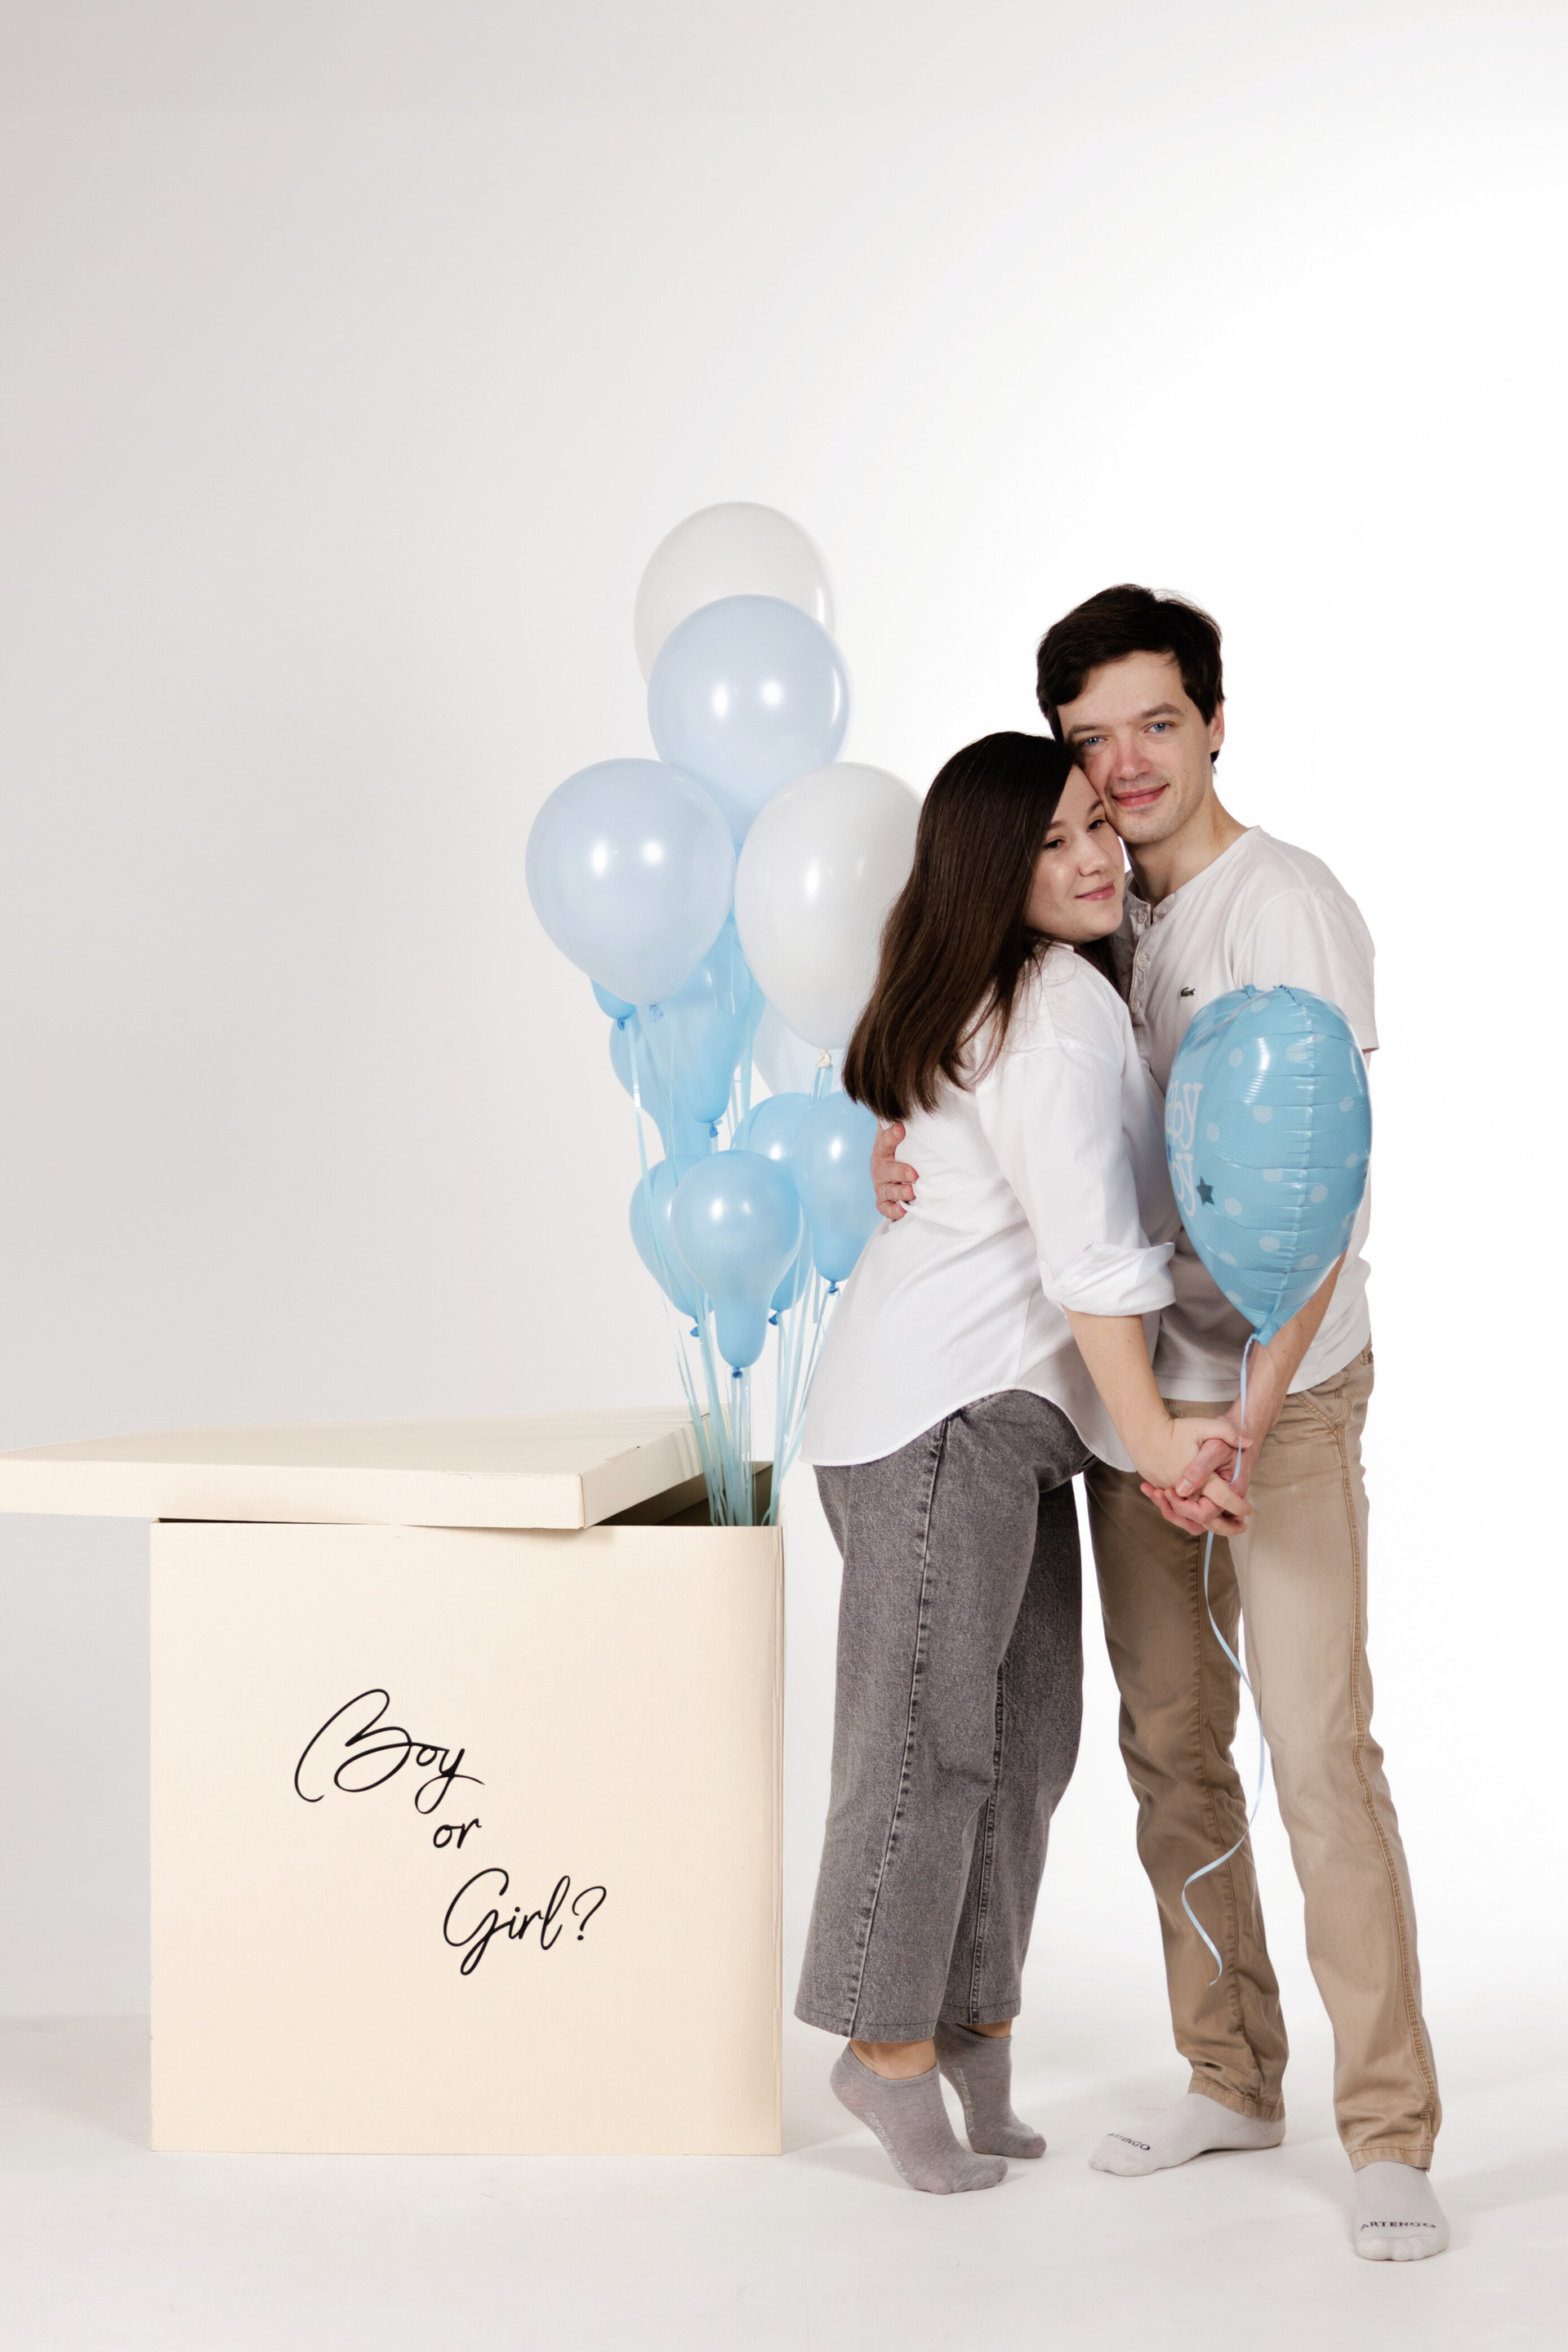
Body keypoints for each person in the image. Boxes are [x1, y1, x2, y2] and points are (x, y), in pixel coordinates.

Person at [872, 586, 1446, 2261]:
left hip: (1283, 1399)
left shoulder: (1289, 908)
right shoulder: (1089, 909)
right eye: (1090, 739)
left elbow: (1324, 1194)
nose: (1123, 766)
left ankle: (1389, 2133)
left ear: (1214, 723)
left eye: (1155, 724)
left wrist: (1249, 1420)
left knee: (1319, 1756)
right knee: (1170, 1750)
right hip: (1141, 1412)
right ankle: (1231, 2073)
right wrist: (890, 1144)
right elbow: (965, 1047)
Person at [798, 729, 1251, 2197]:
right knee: (928, 1747)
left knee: (1025, 1744)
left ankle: (974, 2034)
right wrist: (1163, 1439)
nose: (1094, 856)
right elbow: (1089, 1261)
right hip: (941, 1419)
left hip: (999, 1430)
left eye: (1095, 828)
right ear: (995, 872)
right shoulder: (1048, 1009)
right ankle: (882, 2049)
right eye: (1052, 843)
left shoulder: (1050, 992)